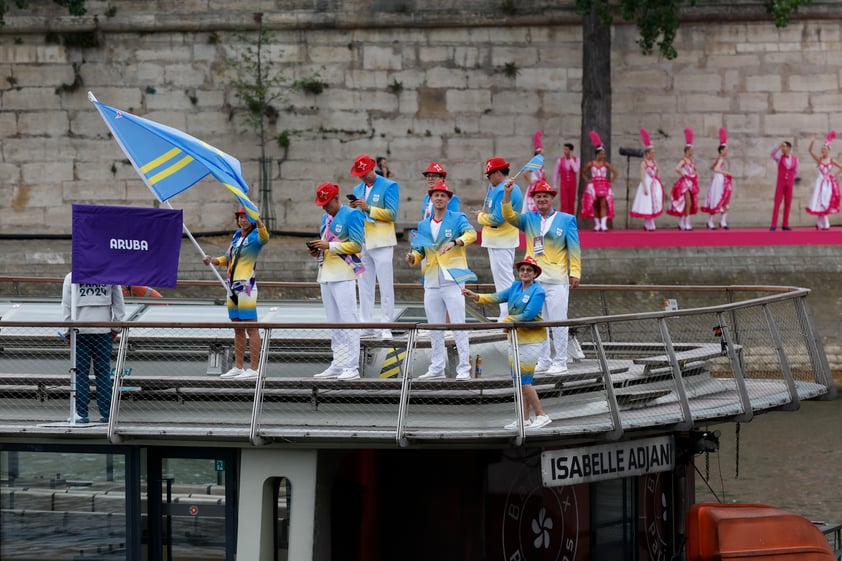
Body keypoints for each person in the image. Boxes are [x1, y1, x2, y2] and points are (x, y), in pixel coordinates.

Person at [462, 256, 551, 430]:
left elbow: (529, 315)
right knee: (518, 380)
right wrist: (476, 296)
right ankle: (524, 419)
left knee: (525, 380)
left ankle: (541, 414)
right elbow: (497, 297)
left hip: (531, 340)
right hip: (515, 337)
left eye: (529, 270)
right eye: (523, 270)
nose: (525, 273)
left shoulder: (538, 291)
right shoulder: (515, 287)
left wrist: (508, 320)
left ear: (535, 274)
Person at [502, 178, 580, 375]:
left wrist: (575, 272)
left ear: (552, 198)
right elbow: (508, 215)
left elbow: (574, 248)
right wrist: (508, 193)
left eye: (545, 196)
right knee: (538, 321)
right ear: (534, 200)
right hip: (534, 280)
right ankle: (544, 360)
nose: (542, 199)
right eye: (538, 197)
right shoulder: (529, 219)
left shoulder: (566, 219)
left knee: (558, 320)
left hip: (557, 279)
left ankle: (561, 360)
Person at [406, 180, 476, 380]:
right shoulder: (423, 224)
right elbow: (419, 250)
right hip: (431, 280)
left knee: (458, 324)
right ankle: (436, 367)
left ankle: (464, 368)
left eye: (442, 196)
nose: (439, 198)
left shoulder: (457, 218)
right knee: (434, 326)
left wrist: (455, 242)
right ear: (431, 199)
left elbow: (471, 234)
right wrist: (413, 257)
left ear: (448, 199)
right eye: (435, 195)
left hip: (453, 279)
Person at [308, 182, 366, 379]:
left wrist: (330, 246)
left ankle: (352, 366)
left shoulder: (353, 214)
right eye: (321, 204)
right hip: (326, 273)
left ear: (336, 198)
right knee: (334, 322)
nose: (324, 207)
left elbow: (357, 245)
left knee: (348, 319)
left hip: (344, 274)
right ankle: (339, 362)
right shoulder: (325, 217)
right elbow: (327, 244)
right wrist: (318, 249)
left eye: (327, 203)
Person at [203, 208, 269, 379]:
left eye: (246, 217)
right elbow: (227, 258)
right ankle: (238, 366)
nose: (243, 220)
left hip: (246, 287)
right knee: (238, 328)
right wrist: (213, 261)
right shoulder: (235, 237)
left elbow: (265, 237)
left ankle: (254, 369)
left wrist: (259, 220)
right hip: (231, 288)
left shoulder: (255, 236)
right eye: (240, 217)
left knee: (251, 328)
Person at [61, 273, 126, 424]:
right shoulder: (110, 276)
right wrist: (116, 328)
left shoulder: (71, 277)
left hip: (79, 332)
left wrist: (67, 332)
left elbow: (66, 306)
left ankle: (81, 413)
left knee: (80, 373)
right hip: (103, 331)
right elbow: (118, 304)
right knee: (103, 373)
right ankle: (106, 414)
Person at [349, 154, 400, 338]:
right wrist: (354, 208)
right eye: (359, 174)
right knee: (364, 285)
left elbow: (392, 214)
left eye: (364, 173)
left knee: (386, 285)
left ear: (372, 169)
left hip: (383, 241)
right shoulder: (358, 188)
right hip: (363, 242)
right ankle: (366, 324)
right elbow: (360, 214)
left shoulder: (389, 185)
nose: (362, 177)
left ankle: (386, 325)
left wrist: (368, 207)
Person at [474, 157, 523, 320]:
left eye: (489, 175)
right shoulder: (500, 187)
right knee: (502, 279)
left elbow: (497, 218)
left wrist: (481, 217)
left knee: (504, 280)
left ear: (497, 173)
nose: (488, 178)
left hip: (502, 240)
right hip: (499, 240)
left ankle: (508, 314)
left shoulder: (504, 189)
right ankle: (506, 313)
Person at [580, 131, 618, 231]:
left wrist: (610, 182)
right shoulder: (591, 164)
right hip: (594, 185)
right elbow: (582, 172)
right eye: (601, 153)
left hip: (603, 185)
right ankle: (597, 224)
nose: (603, 155)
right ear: (597, 154)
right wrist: (587, 180)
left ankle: (603, 224)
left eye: (604, 153)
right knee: (595, 204)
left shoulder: (606, 164)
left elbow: (615, 172)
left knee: (603, 203)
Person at [629, 128, 665, 231]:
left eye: (654, 153)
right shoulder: (644, 163)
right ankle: (648, 221)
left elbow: (657, 170)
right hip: (647, 183)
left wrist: (657, 177)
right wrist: (645, 187)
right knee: (647, 202)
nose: (653, 154)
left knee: (654, 202)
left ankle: (650, 221)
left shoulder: (654, 162)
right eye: (652, 153)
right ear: (647, 153)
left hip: (653, 182)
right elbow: (642, 176)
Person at [806, 132, 842, 230]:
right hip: (820, 183)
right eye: (822, 149)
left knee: (826, 202)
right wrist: (812, 142)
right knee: (819, 202)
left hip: (829, 184)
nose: (823, 151)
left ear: (828, 150)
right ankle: (825, 224)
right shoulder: (819, 159)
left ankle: (820, 223)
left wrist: (834, 174)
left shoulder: (831, 160)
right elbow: (810, 151)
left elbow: (841, 167)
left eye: (825, 149)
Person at [666, 128, 699, 230]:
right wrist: (683, 174)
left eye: (693, 150)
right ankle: (686, 223)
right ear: (687, 151)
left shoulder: (691, 161)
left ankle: (682, 222)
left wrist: (694, 174)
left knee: (689, 203)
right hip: (684, 184)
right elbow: (677, 168)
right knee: (687, 202)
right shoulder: (684, 160)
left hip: (691, 183)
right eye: (691, 150)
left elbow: (695, 169)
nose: (692, 152)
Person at [702, 128, 733, 230]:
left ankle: (722, 222)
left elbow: (712, 167)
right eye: (725, 150)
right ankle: (713, 222)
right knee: (718, 199)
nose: (726, 151)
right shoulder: (721, 159)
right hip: (719, 181)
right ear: (721, 150)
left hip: (720, 180)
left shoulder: (719, 159)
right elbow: (715, 169)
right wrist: (726, 172)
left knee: (724, 200)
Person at [770, 141, 799, 231]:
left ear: (789, 148)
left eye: (784, 147)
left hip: (789, 184)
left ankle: (785, 224)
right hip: (780, 183)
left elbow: (797, 172)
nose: (783, 148)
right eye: (782, 147)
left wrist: (790, 179)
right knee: (777, 203)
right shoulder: (779, 158)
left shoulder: (795, 159)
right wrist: (778, 146)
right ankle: (774, 224)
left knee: (788, 204)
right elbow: (772, 154)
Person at [522, 130, 546, 213]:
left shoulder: (541, 165)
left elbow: (543, 175)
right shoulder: (533, 164)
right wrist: (530, 181)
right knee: (532, 205)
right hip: (534, 187)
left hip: (541, 185)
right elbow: (525, 173)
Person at [553, 142, 580, 215]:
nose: (565, 151)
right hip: (564, 184)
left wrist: (571, 159)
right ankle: (563, 220)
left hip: (572, 184)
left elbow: (576, 169)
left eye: (567, 149)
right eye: (564, 149)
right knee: (564, 202)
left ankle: (570, 220)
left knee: (571, 202)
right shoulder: (560, 160)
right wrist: (555, 185)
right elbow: (556, 173)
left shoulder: (576, 159)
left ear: (571, 150)